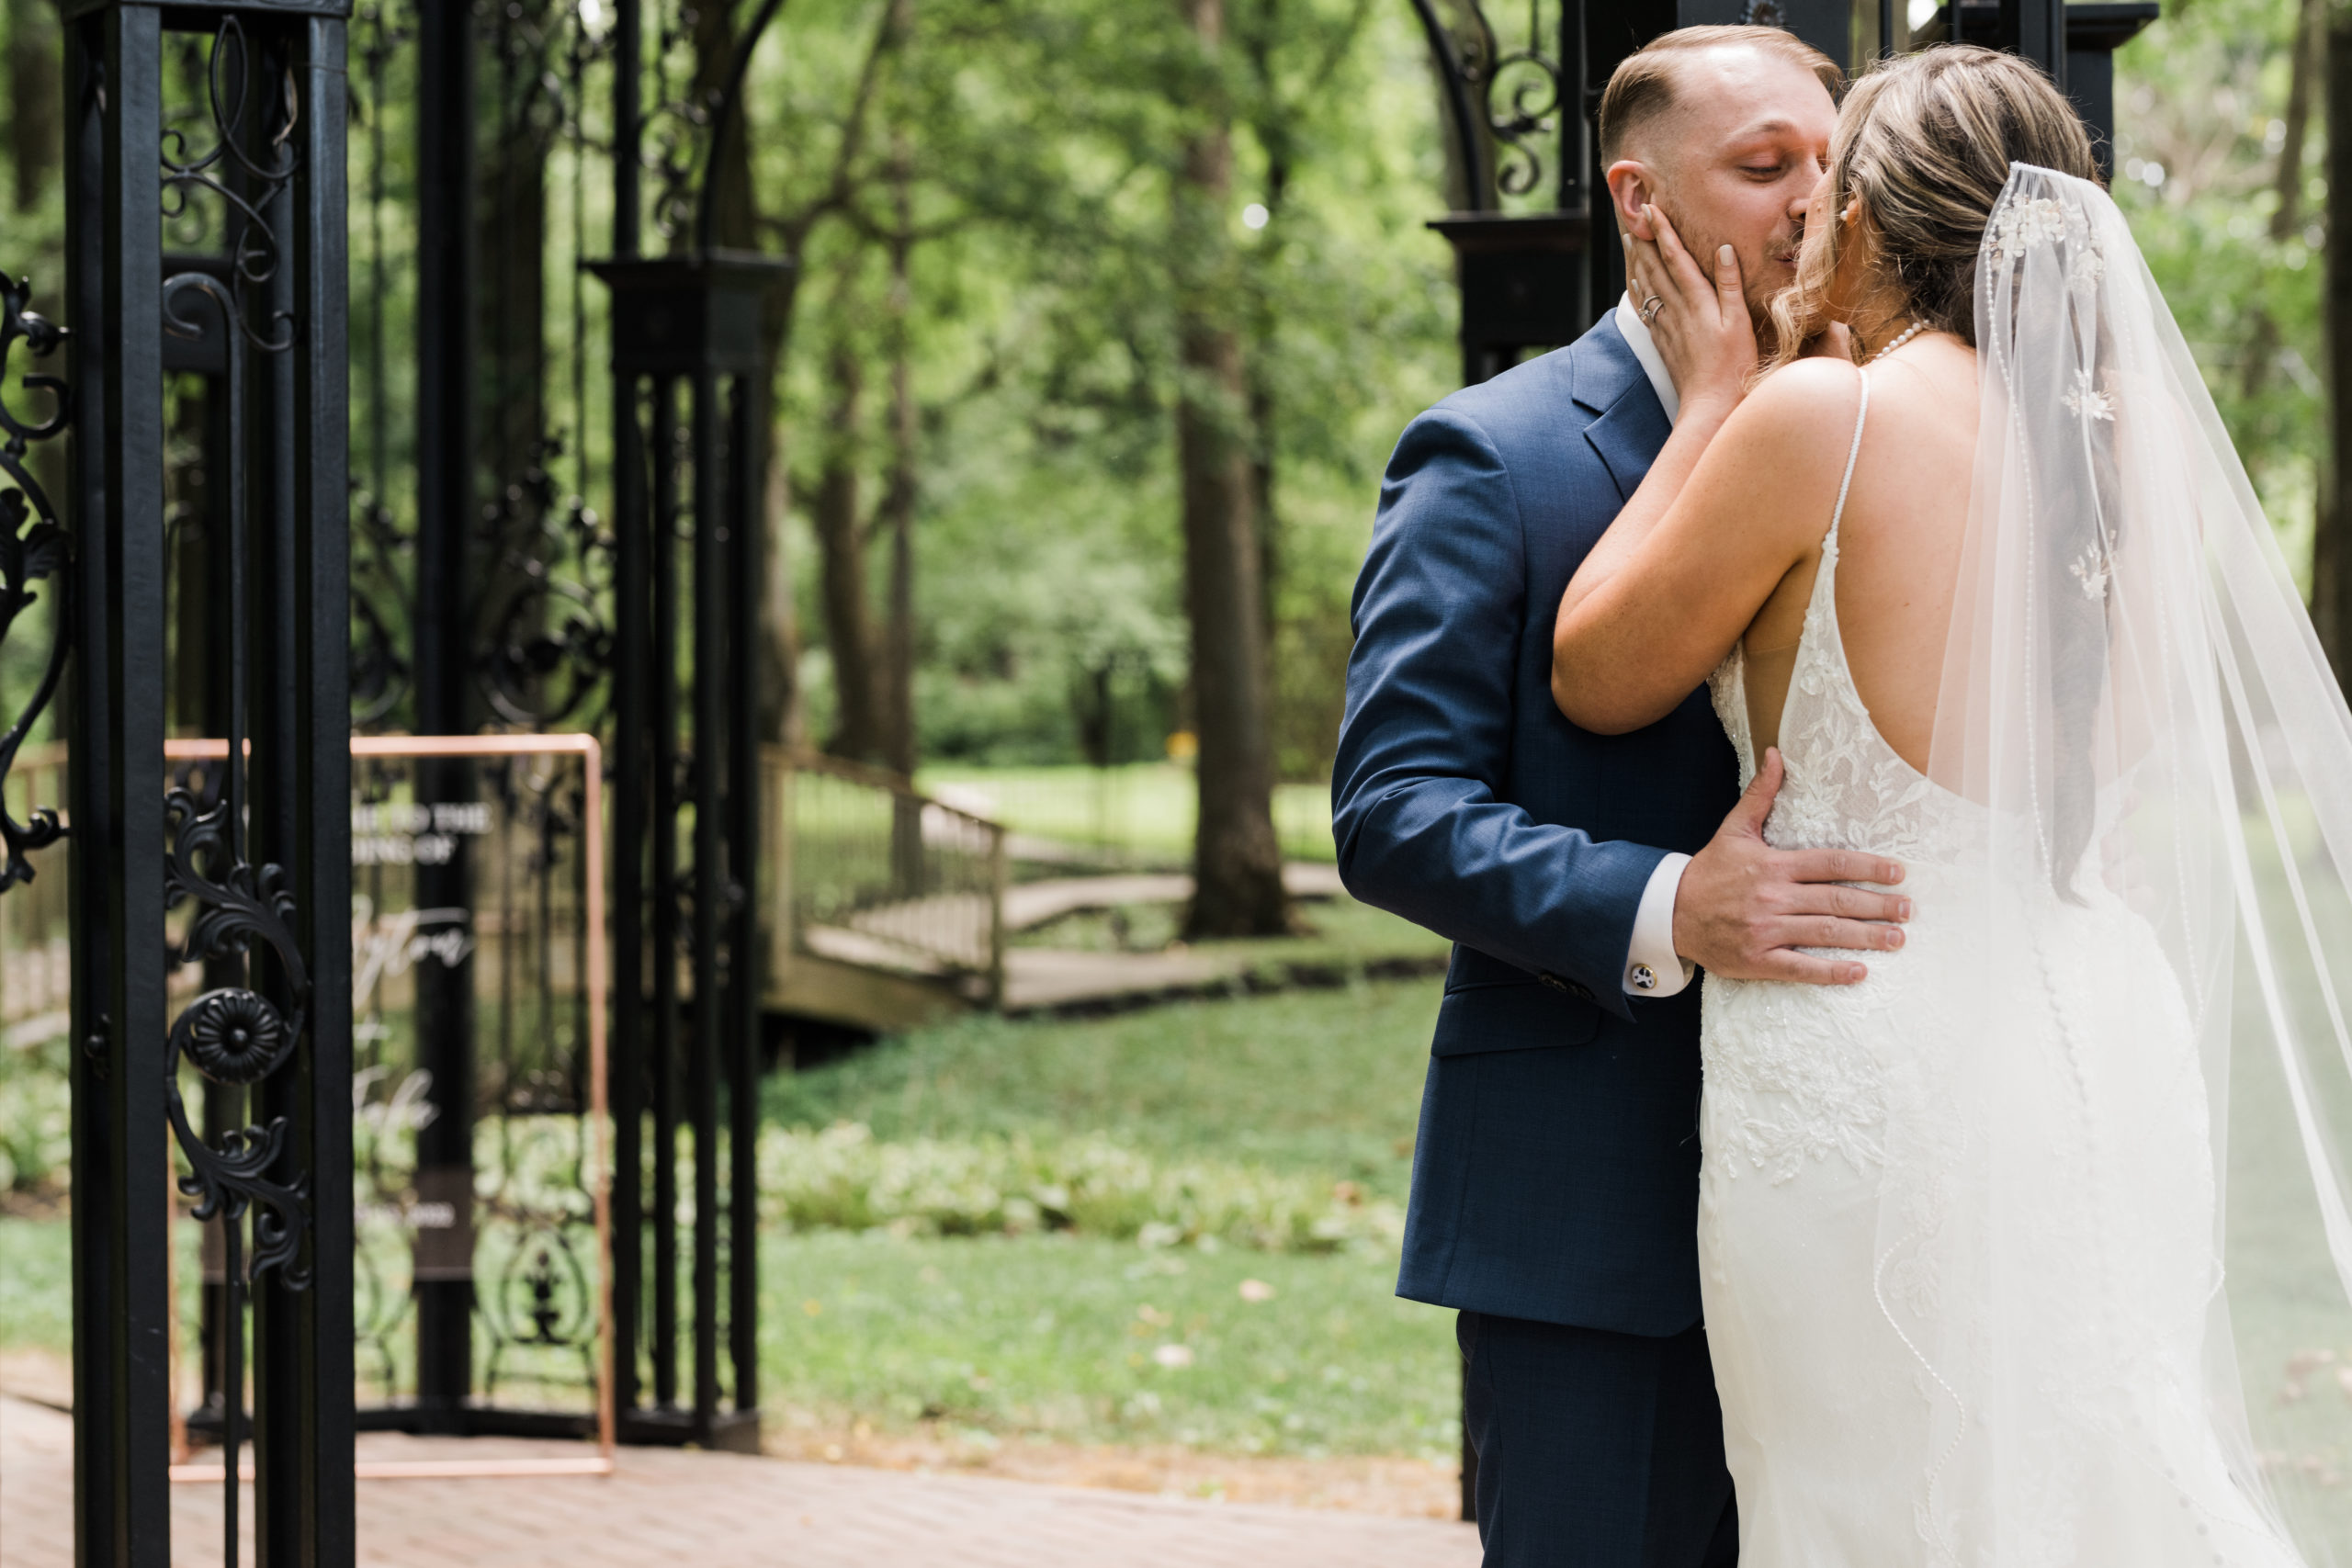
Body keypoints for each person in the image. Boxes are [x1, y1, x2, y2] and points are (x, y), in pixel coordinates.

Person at [1555, 42, 2352, 1564]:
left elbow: (1598, 670)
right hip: (2099, 1026)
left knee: (1874, 1509)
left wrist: (1722, 396)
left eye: (1824, 187)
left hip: (1872, 1054)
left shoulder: (1820, 424)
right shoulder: (2135, 453)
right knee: (2099, 1467)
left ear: (1863, 219)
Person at [1333, 26, 1915, 1565]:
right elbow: (1393, 807)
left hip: (1858, 1201)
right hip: (1589, 1219)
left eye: (1826, 162)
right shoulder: (1494, 454)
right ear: (1640, 202)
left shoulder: (1887, 434)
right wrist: (1669, 905)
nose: (1811, 202)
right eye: (1762, 166)